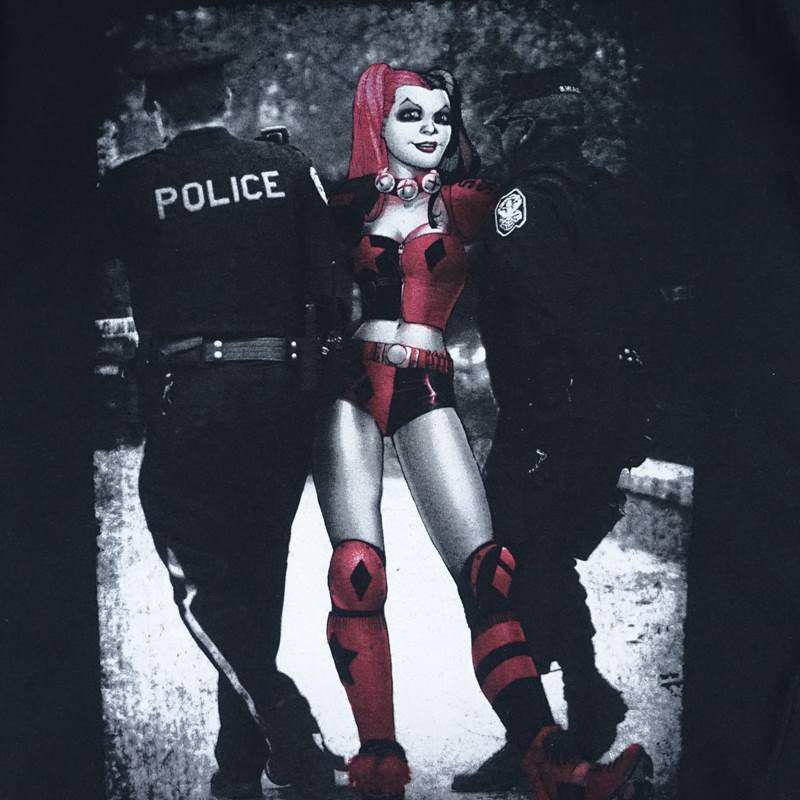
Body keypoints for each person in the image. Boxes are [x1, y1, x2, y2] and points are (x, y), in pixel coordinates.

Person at [314, 62, 653, 800]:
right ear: (377, 119)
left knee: (490, 575)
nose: (431, 129)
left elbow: (567, 269)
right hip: (350, 390)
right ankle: (379, 763)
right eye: (411, 114)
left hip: (430, 386)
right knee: (357, 572)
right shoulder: (338, 203)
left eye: (442, 115)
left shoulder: (482, 201)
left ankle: (552, 759)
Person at [96, 48, 343, 800]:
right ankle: (238, 768)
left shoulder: (129, 186)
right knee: (257, 578)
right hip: (282, 398)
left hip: (191, 398)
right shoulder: (289, 169)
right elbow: (332, 287)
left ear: (154, 112)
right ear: (228, 96)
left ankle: (288, 725)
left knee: (204, 584)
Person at [453, 67, 662, 793]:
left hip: (550, 418)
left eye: (509, 124)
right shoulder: (608, 195)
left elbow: (545, 317)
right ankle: (574, 707)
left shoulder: (524, 205)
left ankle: (547, 729)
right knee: (544, 559)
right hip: (606, 414)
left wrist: (544, 420)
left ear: (529, 127)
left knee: (497, 565)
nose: (502, 137)